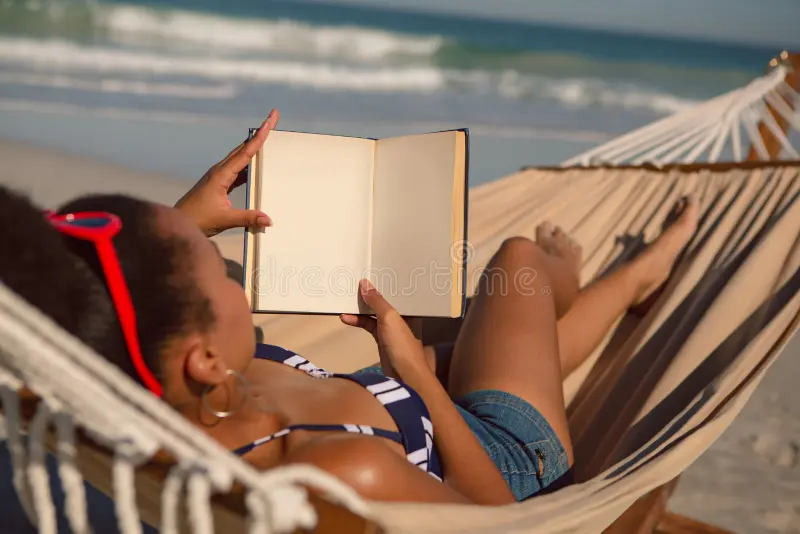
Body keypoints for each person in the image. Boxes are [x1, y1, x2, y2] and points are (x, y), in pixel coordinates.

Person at [5, 109, 698, 505]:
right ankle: (609, 275)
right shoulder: (338, 473)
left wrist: (185, 224)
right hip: (498, 452)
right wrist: (419, 377)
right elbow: (490, 517)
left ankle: (602, 292)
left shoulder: (113, 394)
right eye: (221, 277)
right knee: (518, 263)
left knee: (504, 325)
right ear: (206, 357)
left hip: (391, 396)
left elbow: (72, 311)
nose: (234, 274)